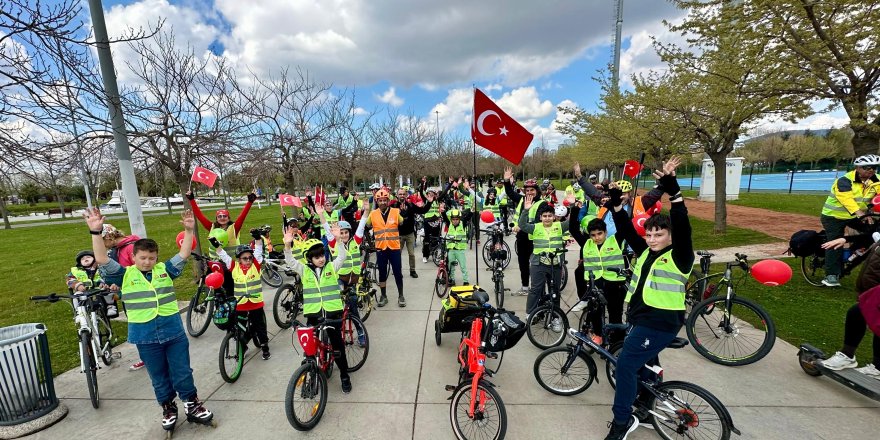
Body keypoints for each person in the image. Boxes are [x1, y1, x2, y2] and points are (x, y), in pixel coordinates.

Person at [85, 207, 214, 433]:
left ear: (156, 257)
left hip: (172, 331)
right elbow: (102, 259)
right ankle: (167, 406)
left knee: (182, 371)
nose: (147, 262)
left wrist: (189, 230)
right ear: (133, 257)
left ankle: (192, 404)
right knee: (158, 375)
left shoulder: (165, 269)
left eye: (151, 258)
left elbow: (184, 254)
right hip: (145, 336)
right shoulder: (124, 274)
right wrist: (96, 233)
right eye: (142, 258)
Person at [603, 157, 692, 440]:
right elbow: (628, 230)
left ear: (670, 236)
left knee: (626, 364)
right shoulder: (644, 251)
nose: (653, 239)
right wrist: (616, 206)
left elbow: (683, 225)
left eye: (659, 234)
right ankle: (645, 403)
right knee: (646, 364)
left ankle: (622, 422)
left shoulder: (679, 256)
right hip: (641, 319)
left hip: (660, 322)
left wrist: (674, 194)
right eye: (650, 234)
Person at [282, 229, 353, 393]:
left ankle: (344, 374)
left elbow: (341, 256)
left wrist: (338, 240)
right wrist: (287, 245)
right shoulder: (304, 270)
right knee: (310, 349)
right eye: (317, 257)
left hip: (332, 314)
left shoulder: (331, 267)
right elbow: (291, 261)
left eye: (322, 255)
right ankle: (311, 373)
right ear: (309, 259)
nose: (321, 259)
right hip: (314, 315)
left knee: (338, 347)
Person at [819, 235, 880, 378]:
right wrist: (845, 240)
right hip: (871, 291)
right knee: (858, 316)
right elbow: (867, 244)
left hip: (876, 294)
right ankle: (853, 358)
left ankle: (873, 366)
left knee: (860, 316)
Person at [819, 154, 880, 287]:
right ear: (857, 168)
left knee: (873, 232)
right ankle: (831, 276)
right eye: (867, 167)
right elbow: (847, 200)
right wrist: (860, 214)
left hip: (855, 216)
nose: (871, 170)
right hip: (833, 217)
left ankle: (855, 251)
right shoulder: (844, 181)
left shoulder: (876, 180)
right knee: (835, 242)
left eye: (874, 167)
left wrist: (869, 212)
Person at [570, 218, 628, 345]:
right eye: (593, 235)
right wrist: (574, 208)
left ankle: (617, 342)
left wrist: (616, 208)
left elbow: (624, 226)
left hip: (615, 284)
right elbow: (573, 229)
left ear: (606, 232)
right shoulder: (587, 243)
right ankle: (598, 335)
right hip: (595, 283)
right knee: (595, 310)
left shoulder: (615, 241)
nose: (597, 238)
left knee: (615, 315)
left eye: (600, 233)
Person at [213, 238, 271, 360]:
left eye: (250, 258)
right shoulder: (234, 266)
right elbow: (223, 255)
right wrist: (217, 246)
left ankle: (264, 346)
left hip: (255, 303)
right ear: (239, 259)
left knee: (259, 326)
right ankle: (243, 347)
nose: (248, 260)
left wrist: (258, 240)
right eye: (245, 258)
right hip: (241, 304)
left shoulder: (255, 266)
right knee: (239, 329)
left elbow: (258, 252)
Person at [517, 194, 570, 323]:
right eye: (544, 216)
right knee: (535, 290)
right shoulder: (535, 227)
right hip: (538, 264)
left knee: (555, 291)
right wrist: (526, 210)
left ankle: (555, 317)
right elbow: (522, 225)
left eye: (550, 216)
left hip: (555, 264)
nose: (547, 218)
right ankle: (530, 313)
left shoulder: (559, 226)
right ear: (540, 218)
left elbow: (572, 222)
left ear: (554, 217)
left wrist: (572, 207)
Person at [503, 167, 547, 295]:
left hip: (535, 240)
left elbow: (539, 222)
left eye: (532, 190)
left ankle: (537, 289)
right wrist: (506, 181)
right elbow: (510, 193)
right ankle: (525, 288)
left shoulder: (541, 204)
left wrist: (522, 226)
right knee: (523, 264)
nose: (529, 193)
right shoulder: (522, 199)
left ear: (537, 191)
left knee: (535, 266)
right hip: (522, 238)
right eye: (527, 190)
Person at [364, 189, 406, 307]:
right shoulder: (373, 214)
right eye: (380, 200)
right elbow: (366, 227)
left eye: (384, 200)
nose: (382, 202)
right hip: (381, 249)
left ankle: (401, 295)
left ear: (388, 200)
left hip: (394, 248)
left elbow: (403, 224)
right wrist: (370, 243)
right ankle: (383, 295)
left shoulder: (396, 212)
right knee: (382, 273)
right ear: (377, 201)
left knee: (398, 272)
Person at [186, 190, 257, 259]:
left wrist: (250, 202)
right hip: (214, 262)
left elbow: (242, 216)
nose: (222, 218)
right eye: (219, 216)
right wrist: (192, 200)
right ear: (216, 219)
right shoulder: (212, 227)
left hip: (231, 262)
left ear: (229, 218)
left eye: (225, 216)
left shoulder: (234, 228)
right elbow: (200, 216)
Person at [390, 187, 434, 278]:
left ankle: (412, 270)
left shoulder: (410, 205)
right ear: (397, 195)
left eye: (403, 194)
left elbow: (422, 210)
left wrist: (429, 202)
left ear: (406, 195)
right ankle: (397, 270)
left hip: (410, 233)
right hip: (398, 234)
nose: (402, 196)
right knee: (397, 255)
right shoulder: (394, 206)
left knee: (411, 254)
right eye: (400, 194)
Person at [66, 250, 118, 318]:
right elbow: (69, 279)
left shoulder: (101, 267)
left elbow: (107, 276)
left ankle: (110, 306)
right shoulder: (76, 271)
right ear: (79, 262)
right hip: (84, 290)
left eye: (88, 257)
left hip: (100, 288)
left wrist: (105, 283)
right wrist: (77, 285)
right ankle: (79, 313)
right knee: (76, 296)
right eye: (83, 259)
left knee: (107, 292)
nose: (86, 259)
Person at [440, 208, 470, 286]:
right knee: (451, 266)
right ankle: (451, 279)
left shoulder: (462, 224)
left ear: (459, 219)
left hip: (460, 250)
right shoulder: (449, 224)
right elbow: (445, 218)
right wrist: (443, 212)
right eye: (453, 219)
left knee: (463, 266)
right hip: (451, 249)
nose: (455, 221)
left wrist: (472, 211)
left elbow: (468, 218)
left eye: (457, 219)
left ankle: (466, 281)